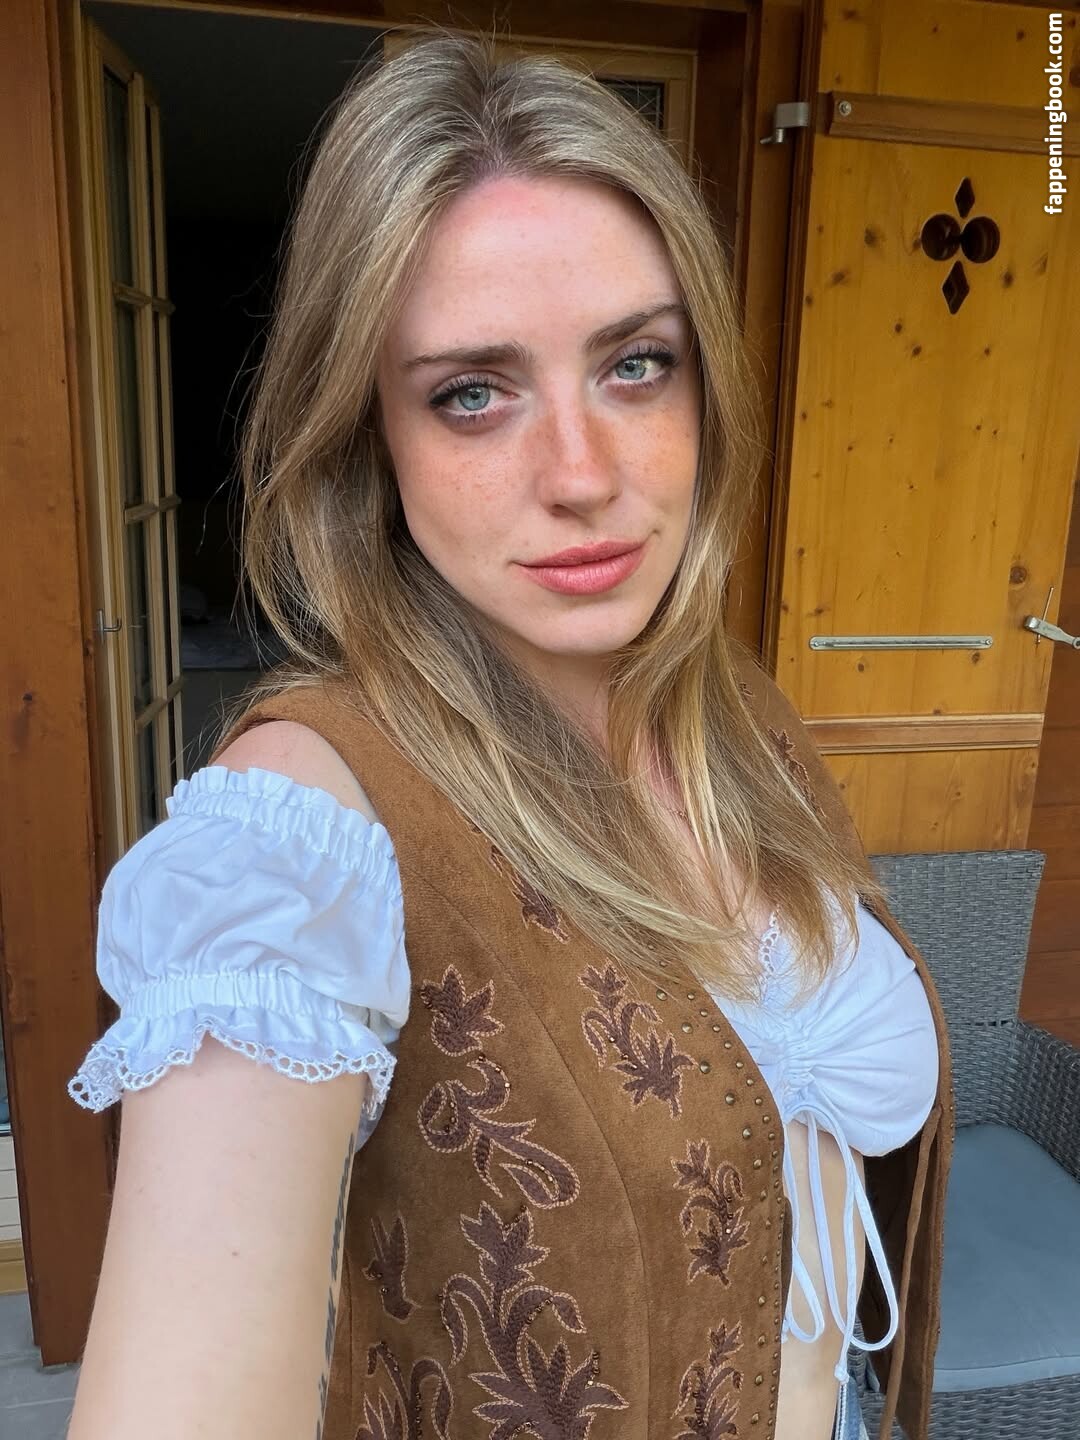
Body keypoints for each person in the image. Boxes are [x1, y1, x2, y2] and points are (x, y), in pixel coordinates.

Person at [66, 29, 951, 1440]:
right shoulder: (301, 831)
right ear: (370, 440)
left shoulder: (736, 717)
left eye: (636, 365)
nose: (583, 475)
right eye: (471, 393)